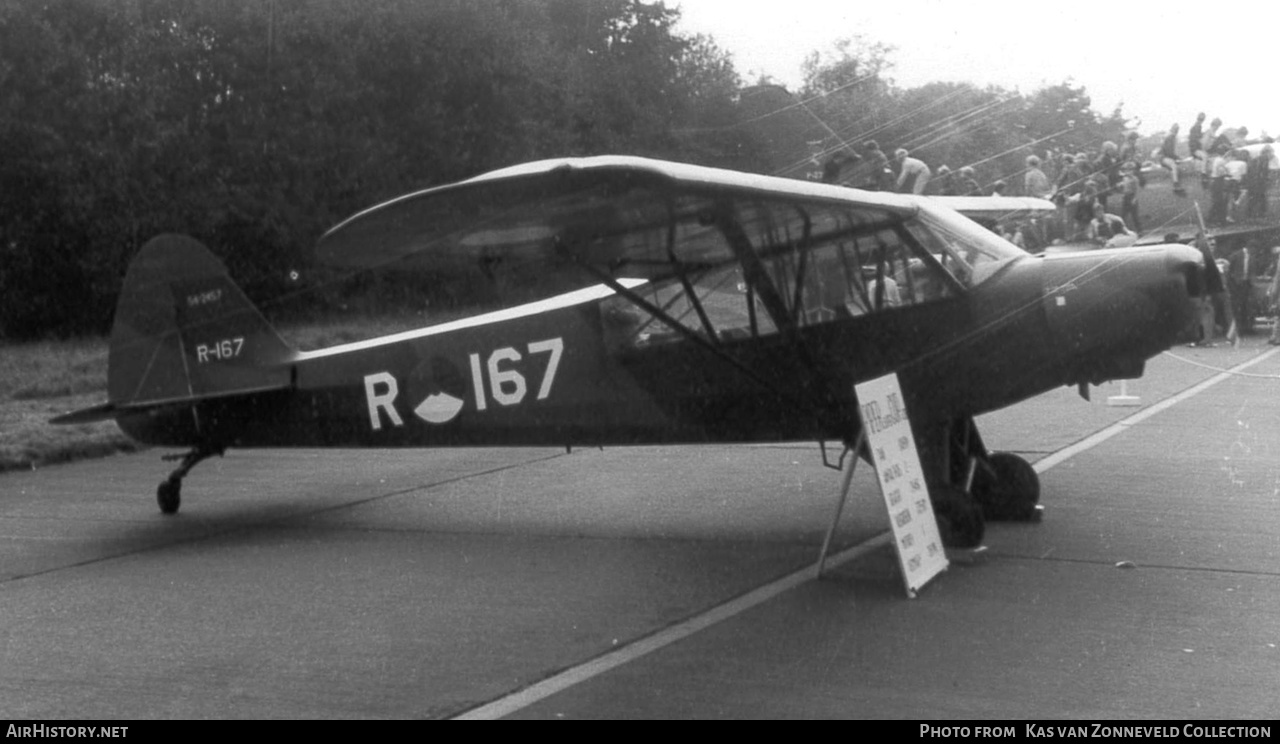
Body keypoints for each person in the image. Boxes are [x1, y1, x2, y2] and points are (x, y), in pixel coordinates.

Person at [1161, 123, 1185, 195]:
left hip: (1168, 157)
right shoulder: (1169, 138)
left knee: (1177, 167)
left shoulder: (1173, 138)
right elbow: (1169, 152)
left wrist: (1177, 157)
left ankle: (1178, 183)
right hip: (1164, 158)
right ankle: (1176, 185)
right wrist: (1177, 158)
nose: (1176, 132)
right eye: (1175, 130)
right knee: (1173, 165)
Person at [1119, 161, 1142, 233]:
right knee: (1123, 215)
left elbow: (1137, 190)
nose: (1128, 172)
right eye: (1126, 170)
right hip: (1126, 197)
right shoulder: (1125, 178)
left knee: (1134, 216)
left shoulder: (1134, 179)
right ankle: (1122, 230)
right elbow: (1124, 188)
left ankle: (1139, 230)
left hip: (1132, 197)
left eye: (1130, 170)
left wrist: (1134, 199)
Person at [1189, 113, 1207, 178]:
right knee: (1204, 156)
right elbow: (1197, 139)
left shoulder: (1197, 126)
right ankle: (1203, 174)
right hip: (1195, 149)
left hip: (1195, 148)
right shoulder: (1197, 127)